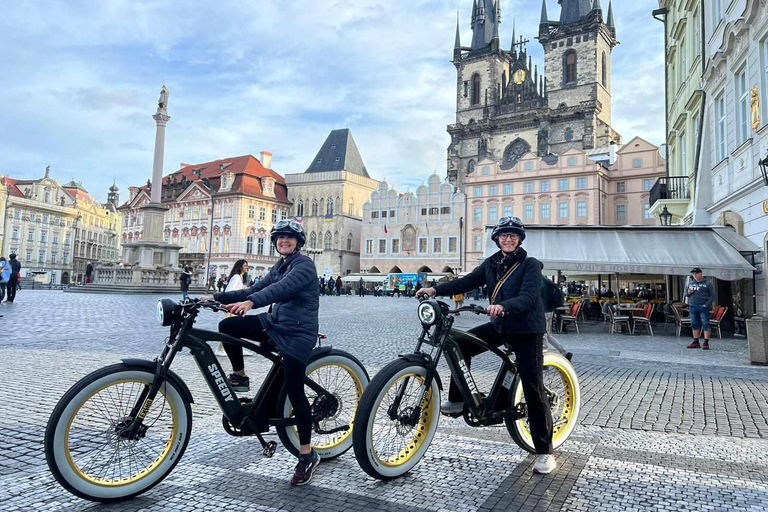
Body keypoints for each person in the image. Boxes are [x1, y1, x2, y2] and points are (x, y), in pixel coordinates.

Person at [416, 216, 555, 475]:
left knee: (533, 387)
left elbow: (527, 297)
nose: (508, 238)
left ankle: (545, 451)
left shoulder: (530, 265)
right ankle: (458, 400)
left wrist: (503, 306)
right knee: (460, 343)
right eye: (504, 235)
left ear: (520, 239)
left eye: (513, 234)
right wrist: (435, 290)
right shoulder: (490, 263)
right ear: (497, 239)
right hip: (501, 326)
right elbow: (466, 282)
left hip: (526, 330)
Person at [212, 220, 321, 485]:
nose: (284, 241)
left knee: (295, 393)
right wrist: (215, 298)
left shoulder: (304, 265)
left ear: (298, 243)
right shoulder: (280, 266)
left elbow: (278, 290)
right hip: (275, 324)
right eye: (280, 237)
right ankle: (239, 375)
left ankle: (307, 456)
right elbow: (254, 288)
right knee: (228, 325)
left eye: (289, 238)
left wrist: (252, 303)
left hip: (297, 333)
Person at [214, 260, 250, 357]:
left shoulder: (240, 277)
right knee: (228, 328)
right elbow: (229, 291)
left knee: (237, 328)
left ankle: (239, 347)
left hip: (236, 306)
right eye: (245, 265)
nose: (247, 267)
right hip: (231, 306)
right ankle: (220, 349)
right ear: (240, 267)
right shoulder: (236, 277)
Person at [685, 267, 715, 350]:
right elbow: (686, 294)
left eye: (696, 273)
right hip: (693, 305)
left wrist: (707, 304)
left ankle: (706, 342)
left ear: (701, 274)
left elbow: (712, 295)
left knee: (705, 323)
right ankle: (696, 341)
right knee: (694, 323)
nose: (695, 275)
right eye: (693, 274)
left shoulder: (708, 284)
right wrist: (689, 292)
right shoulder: (691, 283)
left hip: (703, 306)